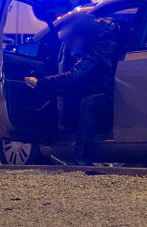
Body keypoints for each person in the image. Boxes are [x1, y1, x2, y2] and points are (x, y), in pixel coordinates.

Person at [24, 14, 122, 165]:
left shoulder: (100, 47)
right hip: (114, 90)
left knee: (89, 104)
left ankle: (81, 157)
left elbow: (76, 75)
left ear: (84, 35)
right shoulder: (104, 38)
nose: (74, 44)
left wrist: (41, 82)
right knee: (81, 98)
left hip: (113, 95)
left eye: (76, 39)